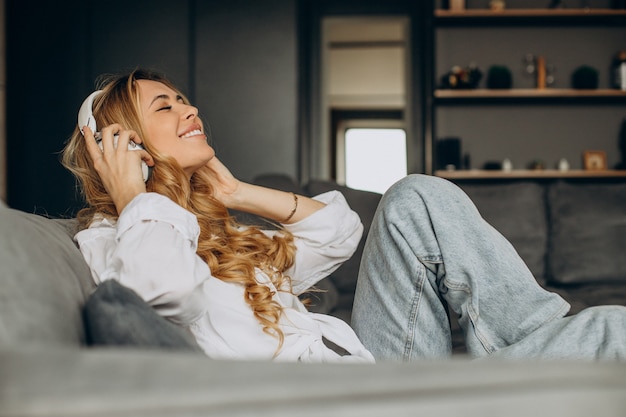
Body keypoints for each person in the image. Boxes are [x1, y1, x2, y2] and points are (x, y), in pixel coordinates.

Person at [63, 69, 626, 363]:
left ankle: (542, 342)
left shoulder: (217, 233)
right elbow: (163, 291)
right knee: (610, 330)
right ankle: (553, 358)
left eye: (185, 98)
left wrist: (234, 190)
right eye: (167, 105)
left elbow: (340, 233)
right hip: (346, 400)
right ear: (122, 141)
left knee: (416, 196)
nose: (190, 109)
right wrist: (137, 196)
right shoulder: (120, 235)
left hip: (373, 367)